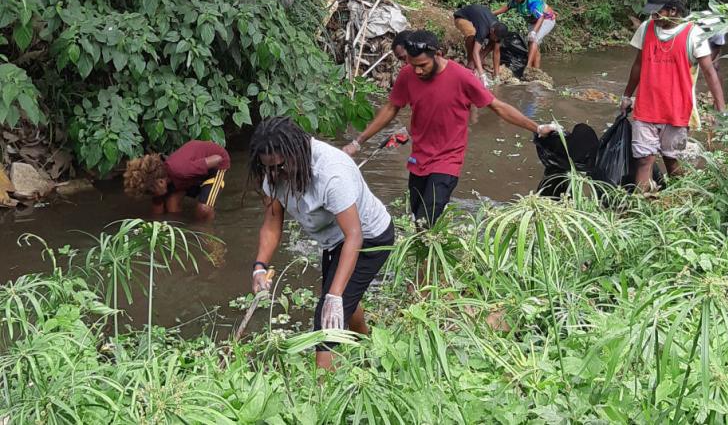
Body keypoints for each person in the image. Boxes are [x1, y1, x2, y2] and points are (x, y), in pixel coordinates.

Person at [343, 30, 554, 227]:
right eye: (412, 64)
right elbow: (391, 108)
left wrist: (537, 127)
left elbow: (498, 106)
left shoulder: (462, 77)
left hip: (447, 161)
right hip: (419, 160)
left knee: (426, 223)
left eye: (423, 65)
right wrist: (357, 142)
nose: (417, 70)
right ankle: (426, 264)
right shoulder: (408, 74)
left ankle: (428, 264)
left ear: (439, 54)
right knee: (418, 222)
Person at [248, 117, 394, 370]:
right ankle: (370, 349)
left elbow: (354, 235)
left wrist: (335, 296)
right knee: (344, 298)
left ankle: (322, 395)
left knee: (326, 322)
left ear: (297, 153)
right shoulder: (273, 174)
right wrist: (260, 265)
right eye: (267, 168)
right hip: (335, 240)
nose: (273, 175)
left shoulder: (331, 173)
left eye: (279, 167)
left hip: (368, 237)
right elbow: (272, 223)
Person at [620, 0, 726, 192]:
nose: (654, 17)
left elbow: (709, 72)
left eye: (657, 12)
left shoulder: (693, 34)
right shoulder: (646, 28)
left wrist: (720, 108)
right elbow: (638, 65)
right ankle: (641, 208)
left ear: (673, 11)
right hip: (646, 109)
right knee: (643, 160)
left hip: (677, 111)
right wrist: (626, 96)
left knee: (671, 160)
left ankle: (680, 197)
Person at [123, 140, 229, 220]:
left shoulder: (180, 170)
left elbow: (218, 158)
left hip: (216, 165)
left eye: (150, 192)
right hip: (189, 172)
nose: (152, 195)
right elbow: (157, 214)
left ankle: (209, 235)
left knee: (203, 209)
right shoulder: (157, 180)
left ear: (161, 182)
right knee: (171, 207)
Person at [493, 0, 556, 69]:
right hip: (533, 21)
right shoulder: (516, 0)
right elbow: (506, 8)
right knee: (532, 46)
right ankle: (536, 70)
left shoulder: (532, 0)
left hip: (546, 19)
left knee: (533, 40)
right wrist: (491, 14)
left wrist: (534, 32)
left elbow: (541, 17)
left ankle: (528, 67)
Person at [453, 4, 509, 87]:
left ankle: (476, 63)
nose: (496, 40)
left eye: (498, 39)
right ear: (492, 31)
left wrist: (497, 76)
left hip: (478, 19)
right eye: (495, 37)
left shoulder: (499, 30)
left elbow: (496, 52)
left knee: (493, 43)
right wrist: (482, 75)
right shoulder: (483, 29)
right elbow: (475, 51)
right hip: (461, 18)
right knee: (471, 33)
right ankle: (470, 62)